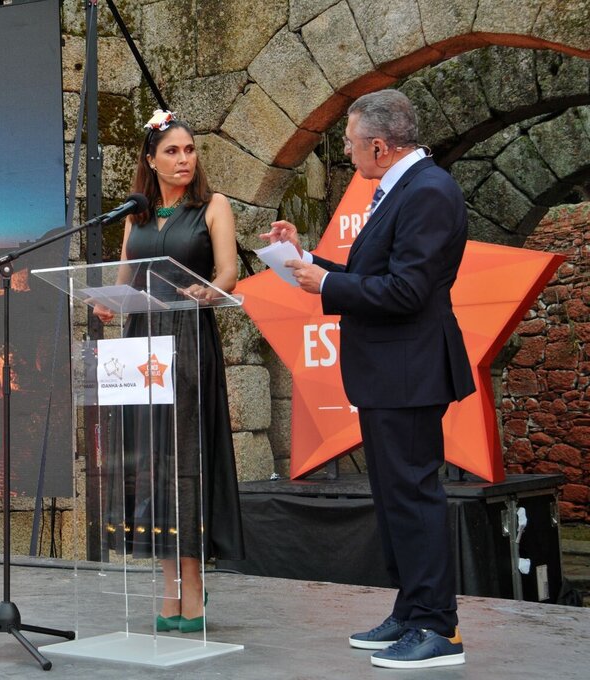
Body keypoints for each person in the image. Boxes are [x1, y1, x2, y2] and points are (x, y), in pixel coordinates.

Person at [263, 89, 475, 669]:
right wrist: (307, 261)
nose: (348, 151)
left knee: (413, 495)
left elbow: (407, 290)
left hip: (410, 371)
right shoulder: (402, 187)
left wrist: (328, 285)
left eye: (352, 142)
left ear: (379, 146)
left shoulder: (428, 190)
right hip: (390, 373)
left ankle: (438, 628)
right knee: (394, 498)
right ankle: (412, 610)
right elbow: (373, 274)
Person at [94, 110, 245, 634]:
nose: (184, 160)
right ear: (151, 160)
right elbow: (124, 279)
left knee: (185, 458)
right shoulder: (135, 215)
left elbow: (230, 270)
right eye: (173, 151)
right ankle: (168, 585)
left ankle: (194, 585)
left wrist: (210, 290)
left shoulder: (213, 206)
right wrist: (107, 303)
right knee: (150, 461)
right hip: (141, 343)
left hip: (188, 338)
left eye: (190, 150)